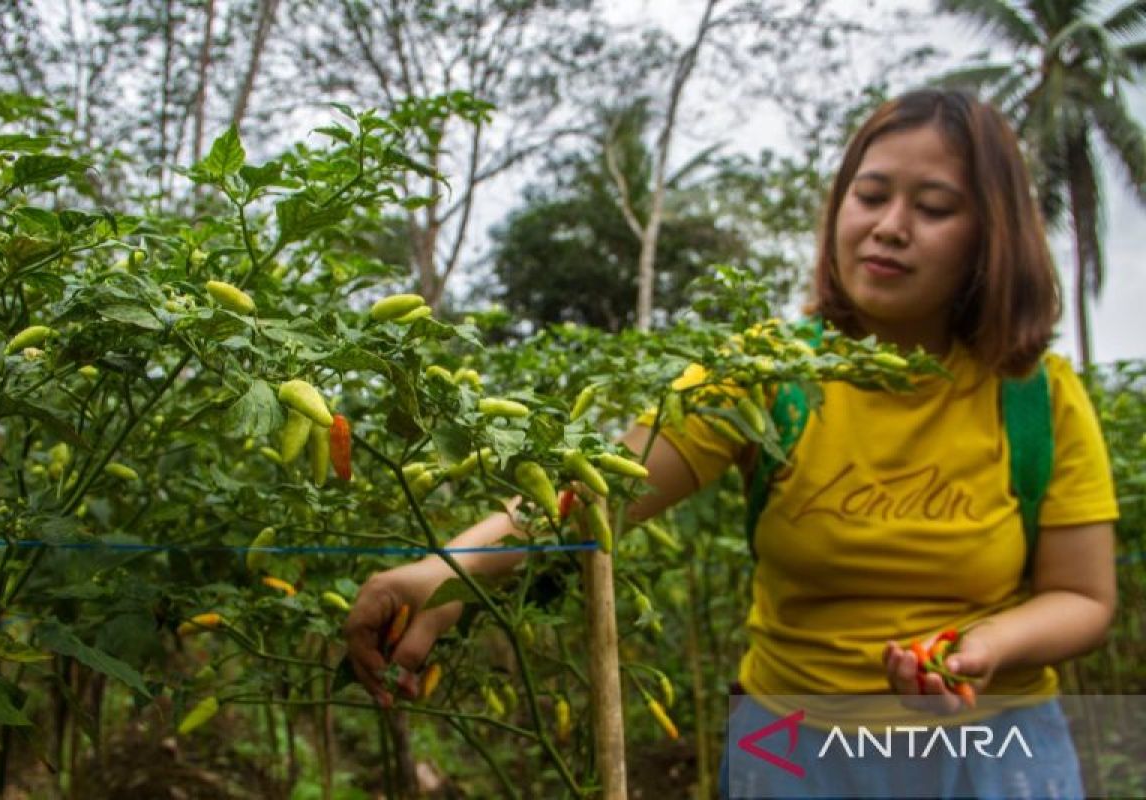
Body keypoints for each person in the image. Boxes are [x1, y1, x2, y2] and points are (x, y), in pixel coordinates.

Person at [345, 89, 1118, 798]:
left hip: (994, 742)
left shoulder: (1036, 396)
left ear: (992, 235)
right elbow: (599, 486)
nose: (889, 227)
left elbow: (1082, 599)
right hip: (789, 739)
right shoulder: (763, 374)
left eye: (936, 207)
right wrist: (448, 573)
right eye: (870, 195)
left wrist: (984, 644)